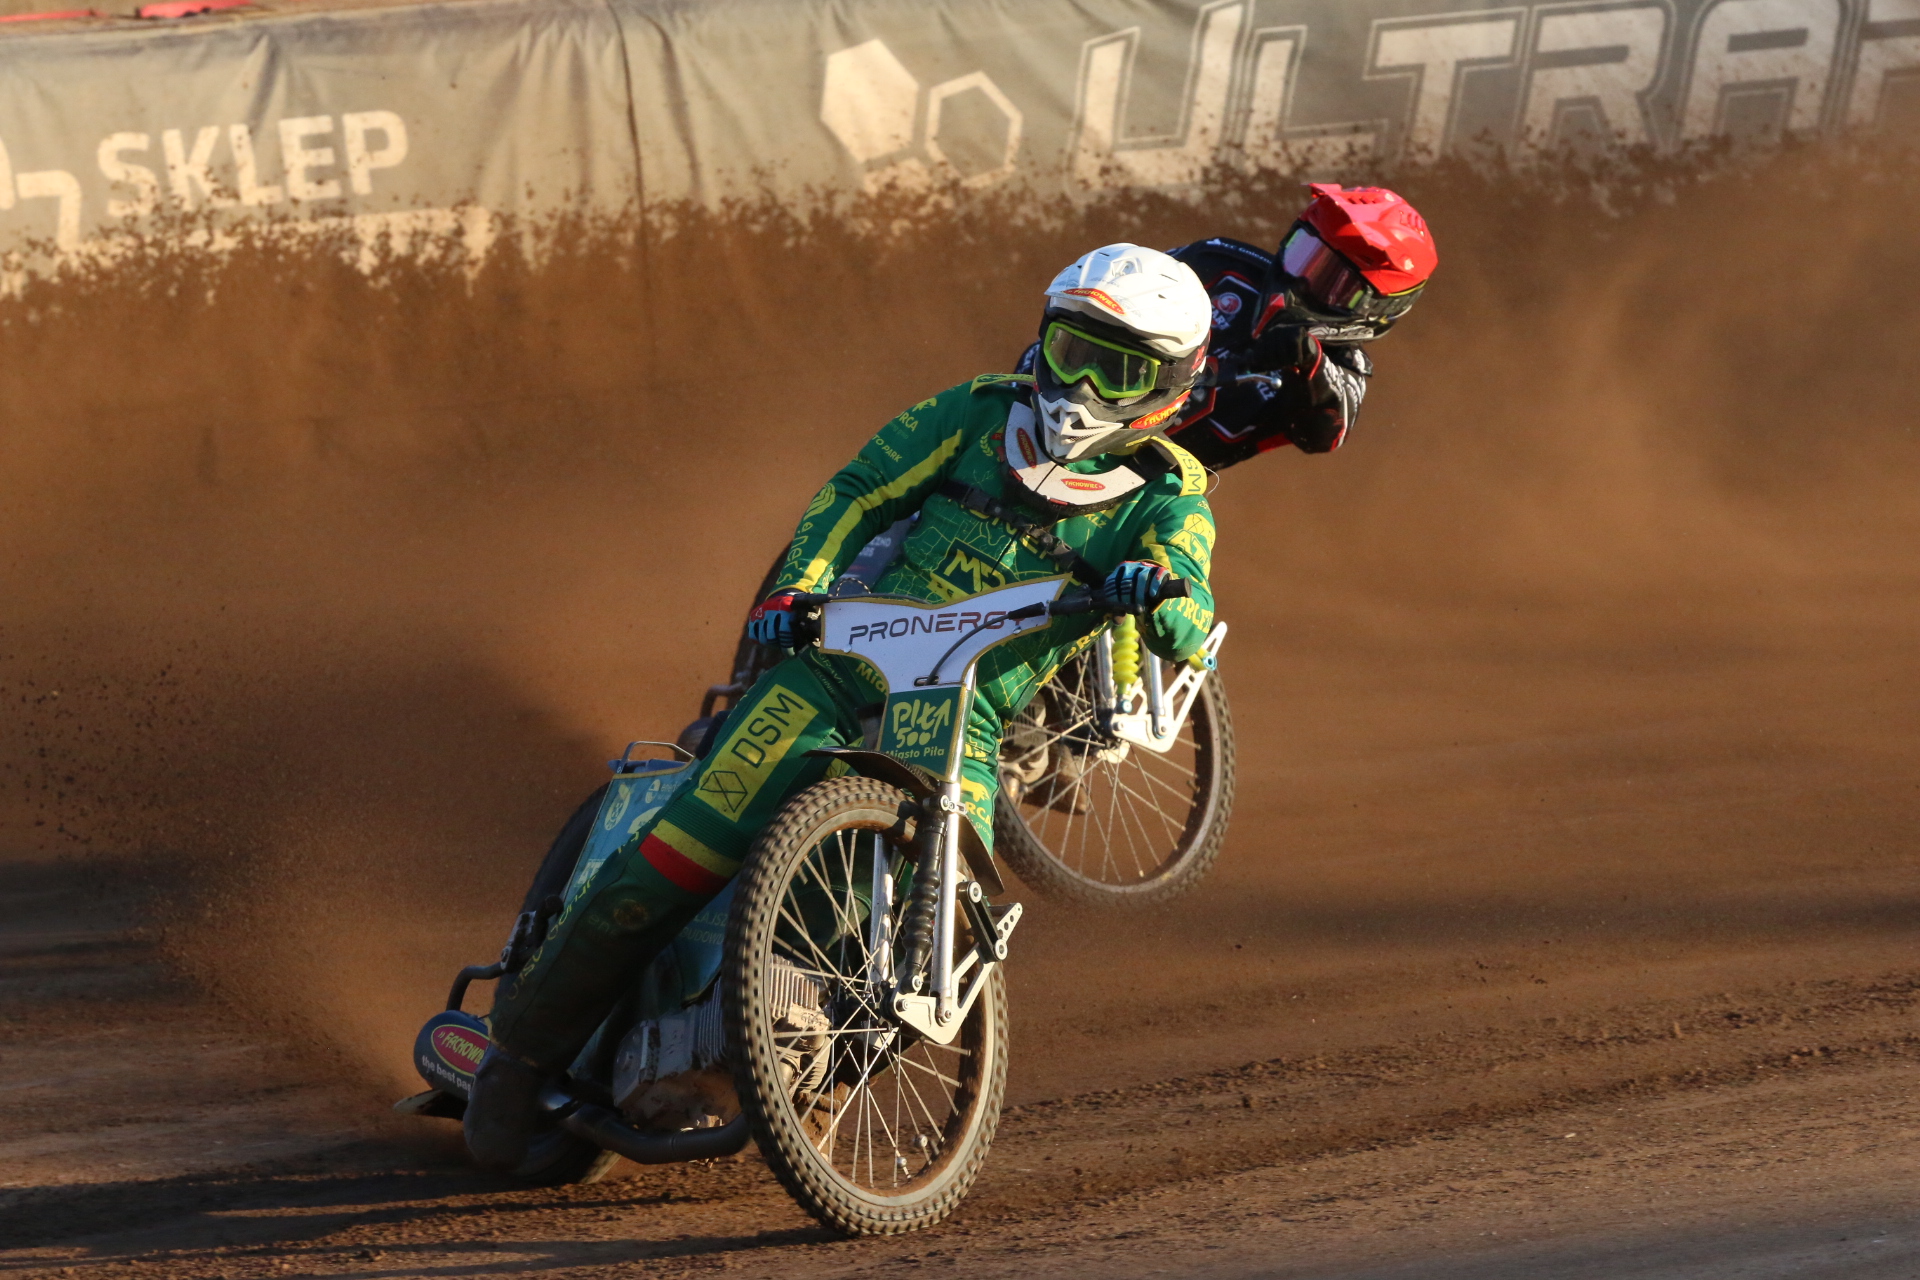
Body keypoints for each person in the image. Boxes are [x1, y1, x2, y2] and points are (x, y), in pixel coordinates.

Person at [464, 242, 1222, 1169]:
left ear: (1171, 383)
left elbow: (1191, 606)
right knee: (669, 862)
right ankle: (516, 1059)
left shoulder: (1170, 498)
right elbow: (859, 490)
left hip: (963, 716)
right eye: (1072, 351)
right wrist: (800, 585)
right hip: (835, 670)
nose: (1083, 385)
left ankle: (808, 1085)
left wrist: (1163, 597)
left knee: (936, 938)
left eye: (1118, 369)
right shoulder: (977, 411)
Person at [1016, 183, 1436, 469]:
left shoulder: (1344, 367)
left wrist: (1306, 362)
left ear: (1377, 308)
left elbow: (1322, 434)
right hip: (1059, 411)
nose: (1300, 279)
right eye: (1303, 253)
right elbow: (1109, 298)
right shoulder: (1220, 263)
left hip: (1143, 484)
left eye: (1329, 280)